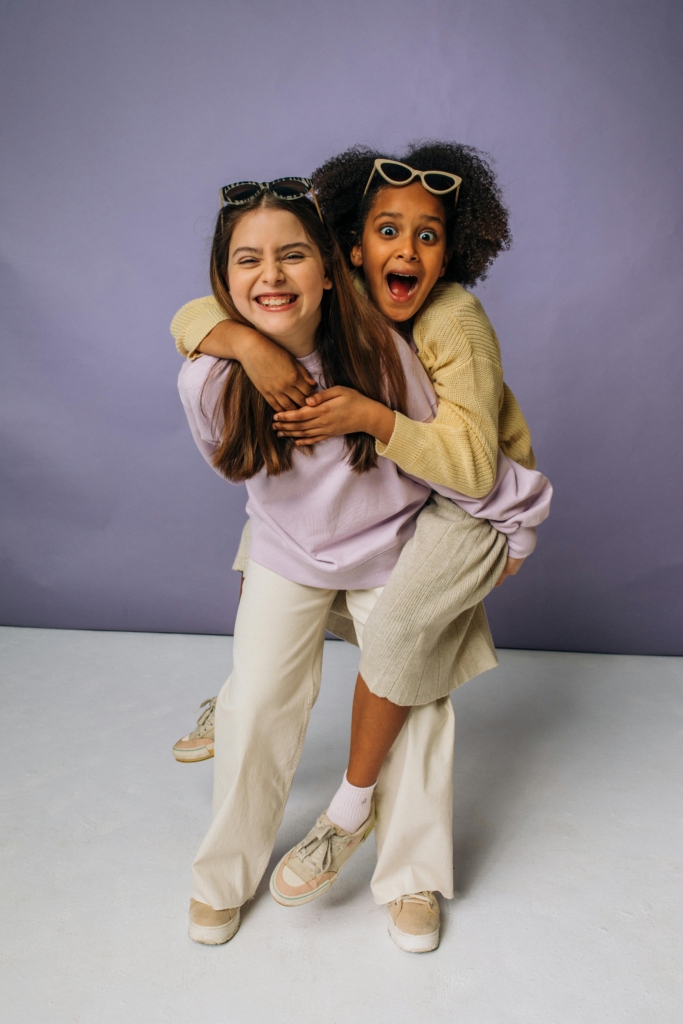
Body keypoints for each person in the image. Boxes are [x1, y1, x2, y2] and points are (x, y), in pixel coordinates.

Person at [174, 147, 552, 951]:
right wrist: (245, 346)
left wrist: (521, 514)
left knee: (414, 688)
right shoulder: (210, 377)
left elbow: (465, 467)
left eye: (291, 257)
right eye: (250, 262)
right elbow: (200, 328)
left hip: (396, 543)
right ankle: (222, 875)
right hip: (288, 550)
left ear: (326, 268)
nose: (272, 276)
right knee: (257, 705)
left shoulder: (393, 347)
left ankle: (411, 879)